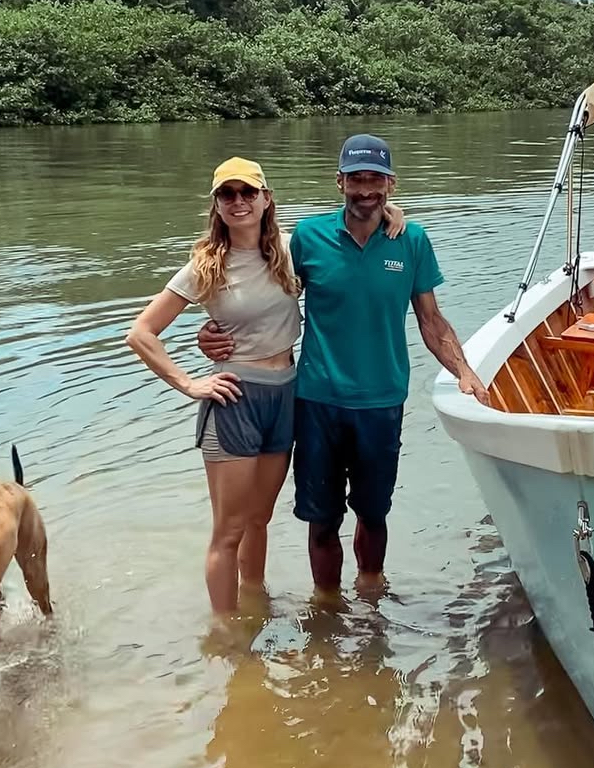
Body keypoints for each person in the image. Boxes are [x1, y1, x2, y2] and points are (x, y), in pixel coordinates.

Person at [198, 133, 488, 597]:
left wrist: (465, 373)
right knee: (322, 519)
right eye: (356, 179)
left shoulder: (412, 240)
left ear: (391, 184)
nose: (366, 189)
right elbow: (259, 287)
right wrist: (211, 332)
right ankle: (327, 603)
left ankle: (371, 595)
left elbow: (431, 320)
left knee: (374, 513)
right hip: (317, 401)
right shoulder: (308, 238)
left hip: (382, 400)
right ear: (340, 182)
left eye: (375, 179)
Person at [124, 155, 405, 615]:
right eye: (227, 194)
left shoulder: (291, 250)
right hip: (235, 396)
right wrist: (189, 384)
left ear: (266, 199)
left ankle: (255, 607)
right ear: (216, 204)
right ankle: (225, 630)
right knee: (229, 529)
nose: (238, 201)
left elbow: (350, 232)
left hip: (287, 392)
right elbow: (141, 333)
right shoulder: (206, 265)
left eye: (247, 192)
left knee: (260, 519)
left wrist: (388, 211)